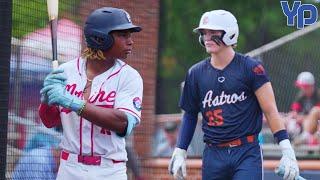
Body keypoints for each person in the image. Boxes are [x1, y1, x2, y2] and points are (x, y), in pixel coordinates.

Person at [168, 10, 300, 180]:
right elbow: (190, 115)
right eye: (204, 33)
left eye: (213, 32)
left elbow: (270, 110)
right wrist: (180, 150)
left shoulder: (251, 68)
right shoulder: (195, 73)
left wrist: (287, 150)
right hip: (213, 154)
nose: (207, 37)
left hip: (246, 152)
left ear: (230, 33)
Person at [38, 7, 143, 180]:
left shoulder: (129, 76)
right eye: (123, 35)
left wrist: (72, 102)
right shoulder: (65, 71)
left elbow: (123, 123)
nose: (130, 41)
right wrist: (47, 100)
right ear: (100, 38)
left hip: (109, 170)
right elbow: (50, 122)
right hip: (69, 167)